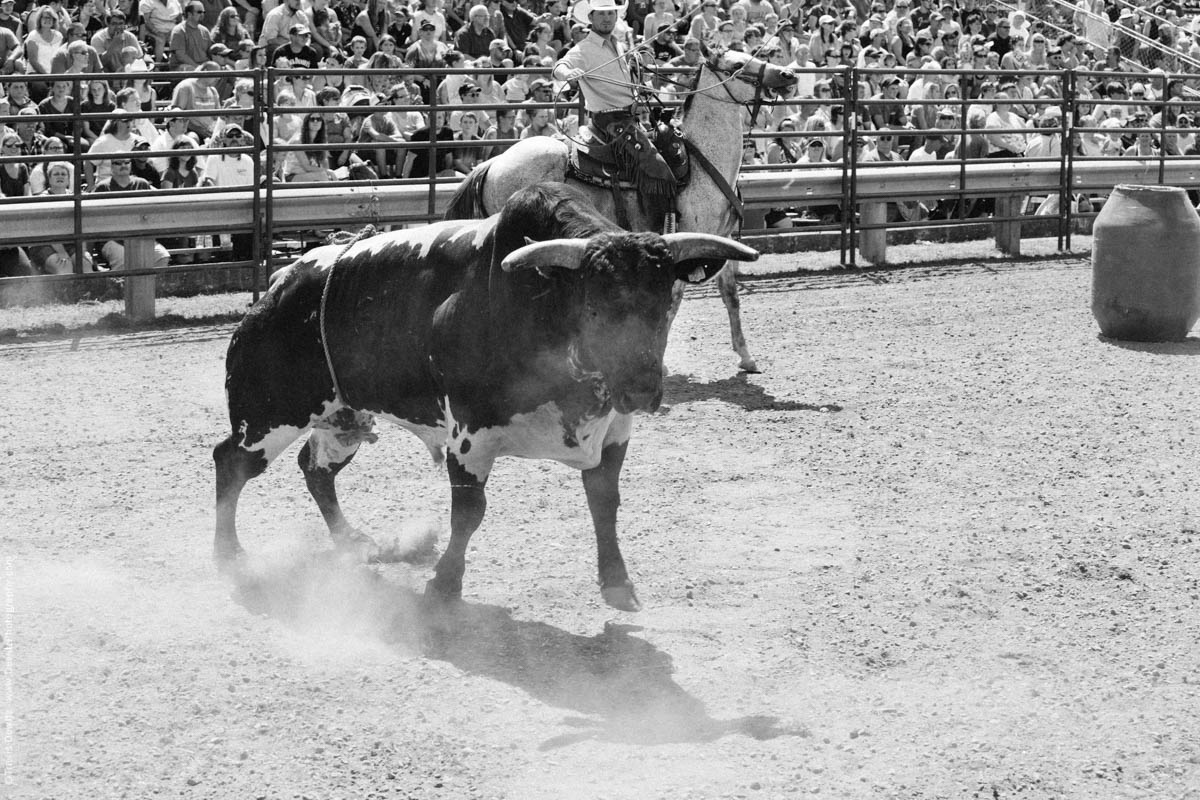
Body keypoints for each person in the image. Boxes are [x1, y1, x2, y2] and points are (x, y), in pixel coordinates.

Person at [551, 0, 677, 221]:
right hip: (609, 122)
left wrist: (639, 88)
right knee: (657, 168)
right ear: (590, 18)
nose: (607, 18)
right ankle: (662, 226)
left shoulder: (618, 45)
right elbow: (559, 67)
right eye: (601, 14)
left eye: (610, 12)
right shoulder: (584, 49)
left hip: (628, 117)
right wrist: (567, 74)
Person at [91, 156, 172, 269]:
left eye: (126, 162)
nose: (123, 165)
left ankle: (148, 286)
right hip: (111, 239)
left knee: (161, 256)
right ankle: (119, 286)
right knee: (123, 258)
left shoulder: (142, 184)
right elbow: (90, 216)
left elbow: (159, 202)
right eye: (118, 163)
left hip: (139, 236)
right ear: (111, 167)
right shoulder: (102, 187)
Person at [169, 1, 215, 69]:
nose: (202, 14)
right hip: (183, 66)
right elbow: (181, 56)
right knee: (189, 69)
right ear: (189, 14)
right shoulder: (179, 31)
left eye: (203, 12)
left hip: (202, 65)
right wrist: (198, 67)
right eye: (199, 12)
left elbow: (210, 52)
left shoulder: (205, 31)